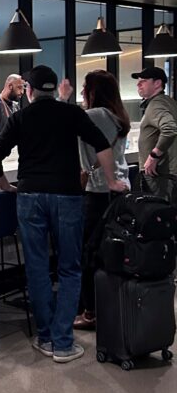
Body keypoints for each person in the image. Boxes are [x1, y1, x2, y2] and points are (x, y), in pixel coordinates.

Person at [0, 65, 128, 363]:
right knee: (69, 266)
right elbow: (101, 144)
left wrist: (5, 186)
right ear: (54, 90)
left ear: (29, 91)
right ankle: (63, 343)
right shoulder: (72, 114)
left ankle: (46, 336)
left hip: (30, 195)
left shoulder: (21, 117)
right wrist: (112, 180)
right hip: (67, 196)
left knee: (37, 267)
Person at [63, 71, 131, 331]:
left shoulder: (95, 115)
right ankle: (106, 304)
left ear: (94, 91)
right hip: (118, 191)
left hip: (99, 191)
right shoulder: (117, 116)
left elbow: (62, 122)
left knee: (89, 252)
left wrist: (62, 98)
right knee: (107, 250)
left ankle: (90, 311)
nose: (81, 92)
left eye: (84, 88)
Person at [133, 66, 177, 201]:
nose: (138, 84)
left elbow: (170, 128)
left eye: (143, 81)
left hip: (161, 174)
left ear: (157, 83)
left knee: (160, 213)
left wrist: (153, 156)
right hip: (167, 173)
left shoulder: (156, 104)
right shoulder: (168, 101)